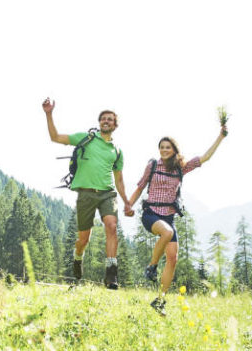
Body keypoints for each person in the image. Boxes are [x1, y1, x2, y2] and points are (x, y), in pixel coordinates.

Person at [127, 125, 227, 314]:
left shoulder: (181, 167)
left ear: (174, 150)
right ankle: (152, 266)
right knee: (167, 232)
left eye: (168, 147)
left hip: (169, 215)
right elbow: (140, 187)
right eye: (161, 147)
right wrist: (128, 204)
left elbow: (204, 157)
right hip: (151, 213)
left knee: (172, 259)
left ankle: (160, 300)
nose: (164, 150)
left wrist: (220, 137)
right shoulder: (153, 165)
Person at [42, 98, 131, 289]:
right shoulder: (86, 138)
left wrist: (126, 201)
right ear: (100, 123)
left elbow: (119, 180)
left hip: (108, 193)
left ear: (115, 125)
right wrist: (49, 114)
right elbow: (55, 137)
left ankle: (111, 274)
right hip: (86, 194)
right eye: (103, 119)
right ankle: (78, 257)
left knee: (111, 225)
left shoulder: (117, 151)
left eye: (110, 119)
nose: (106, 121)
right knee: (83, 239)